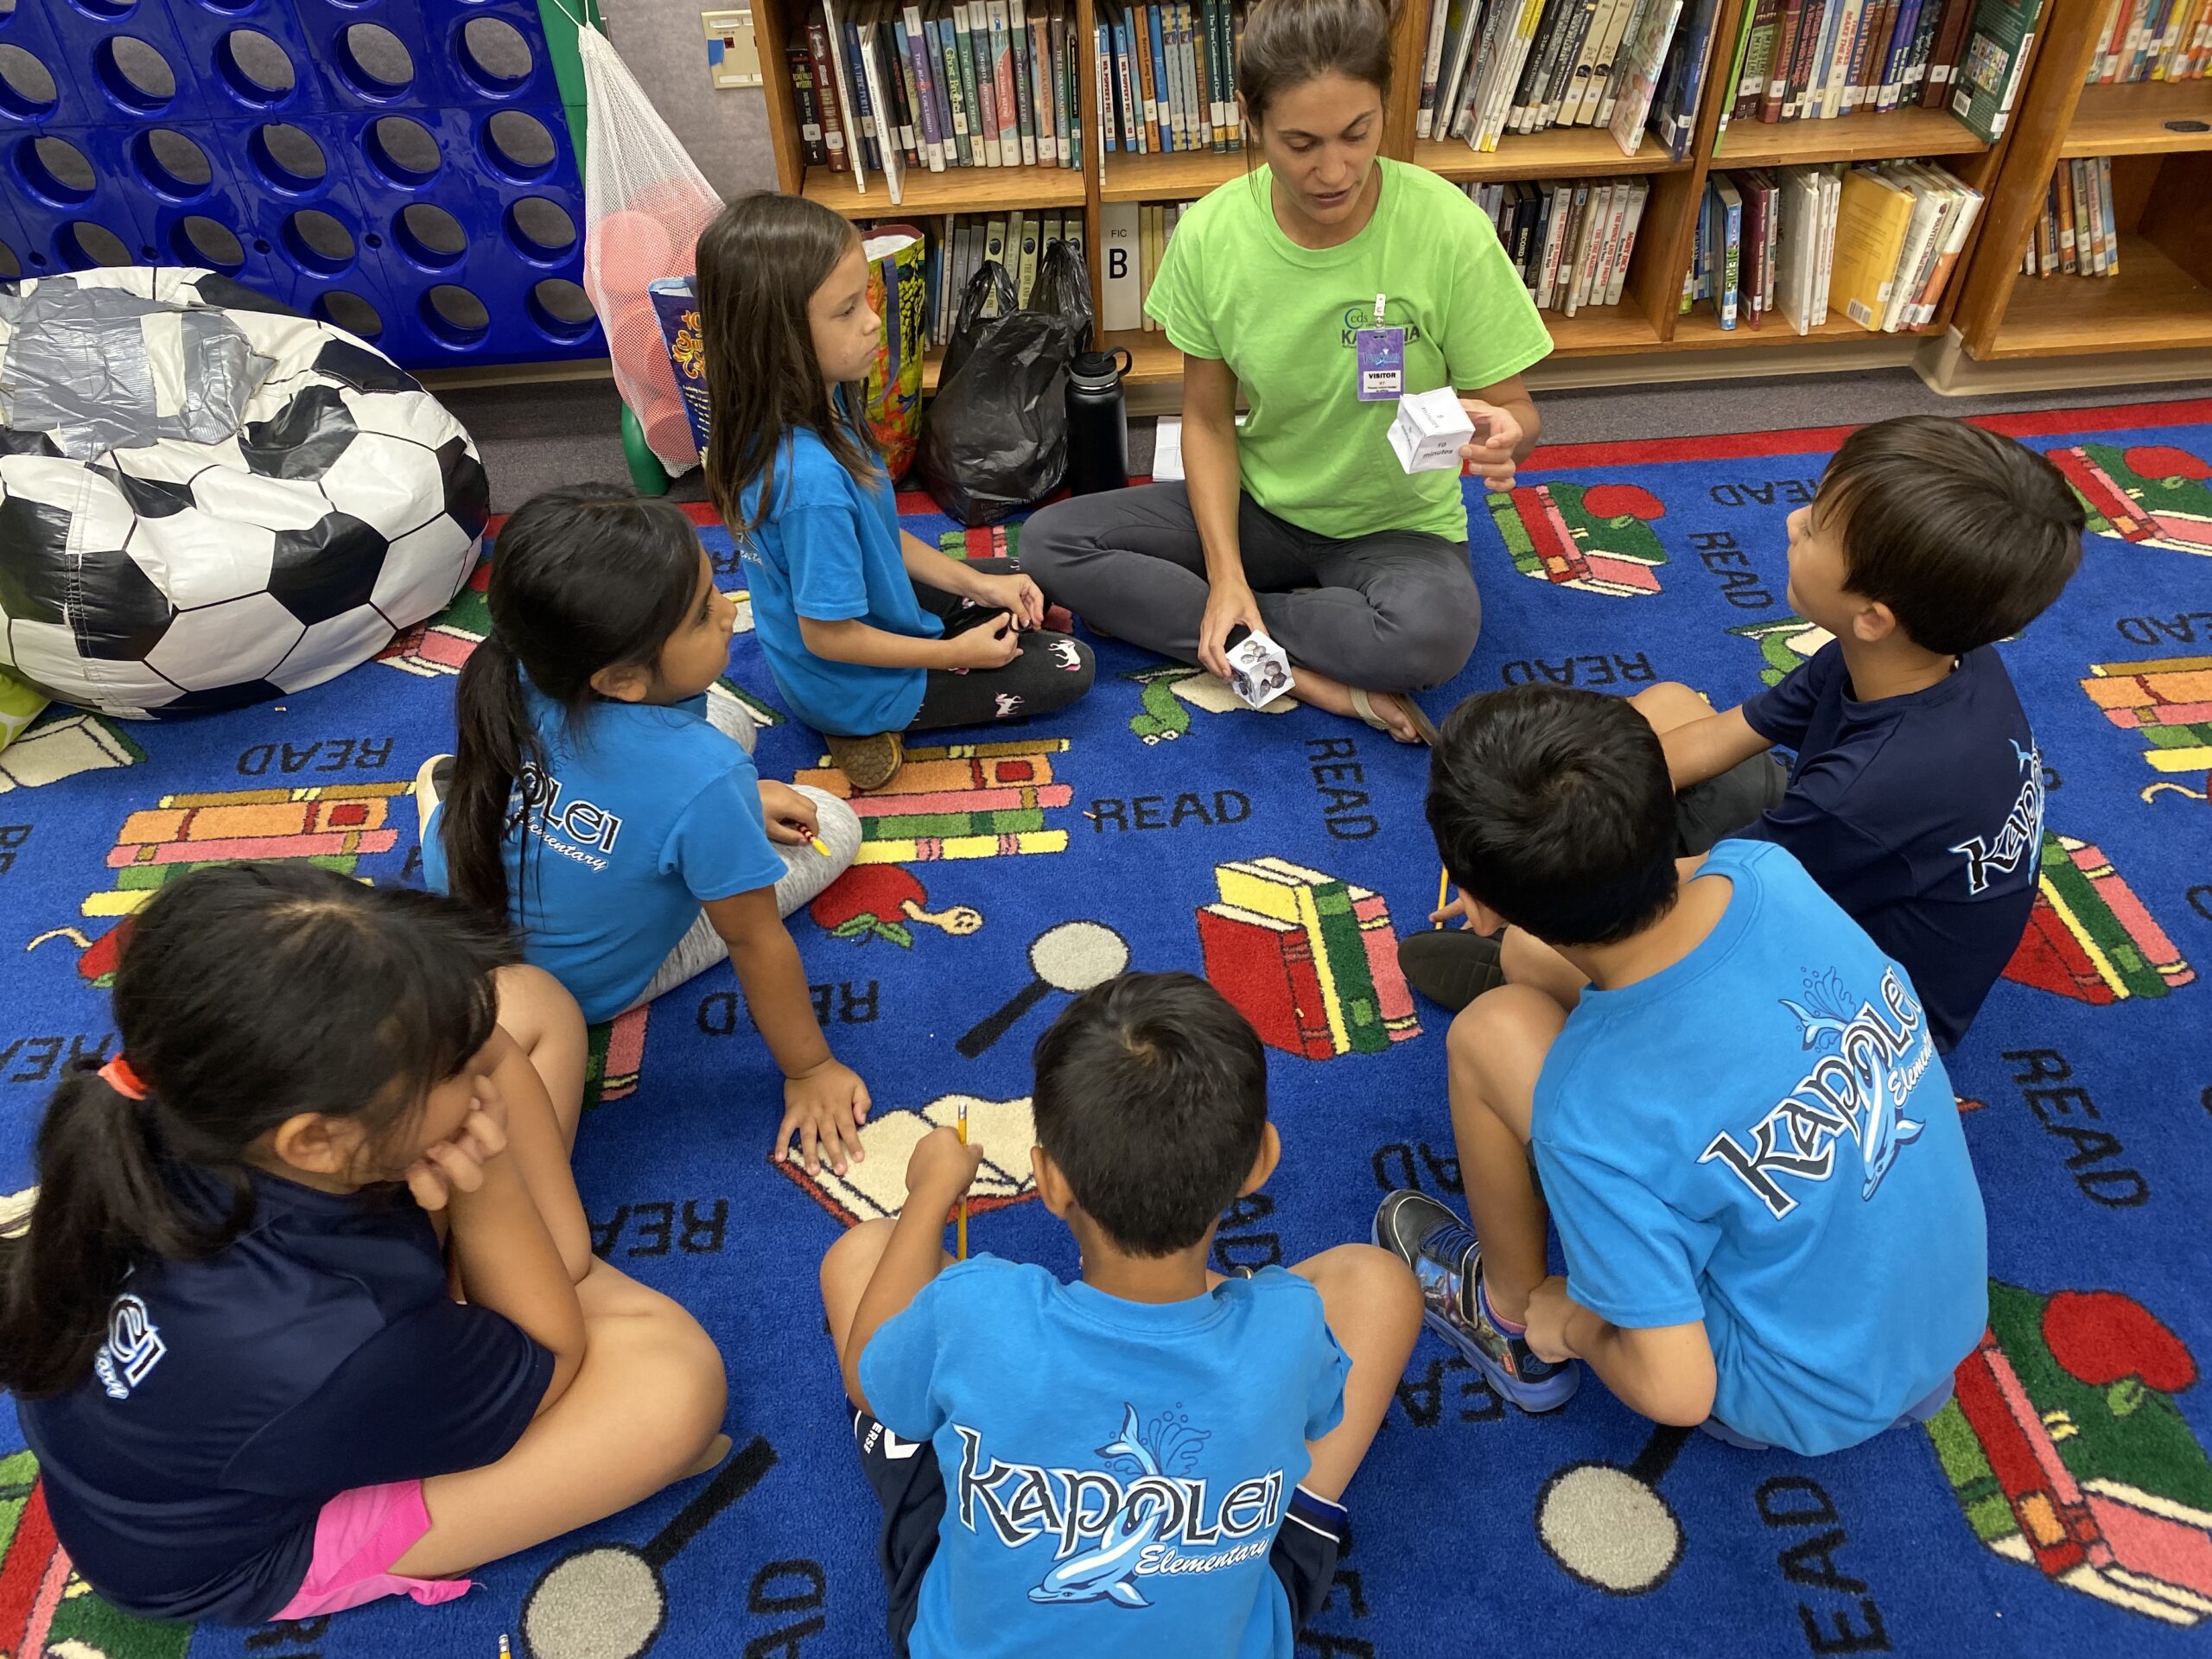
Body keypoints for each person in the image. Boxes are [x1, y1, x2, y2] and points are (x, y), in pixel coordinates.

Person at [1, 863, 728, 1624]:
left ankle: (478, 1291)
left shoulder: (194, 1103)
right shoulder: (337, 1338)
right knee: (674, 1391)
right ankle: (479, 1311)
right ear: (316, 1140)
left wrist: (470, 1096)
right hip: (251, 1544)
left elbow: (493, 1042)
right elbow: (555, 1358)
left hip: (267, 1392)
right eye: (450, 1070)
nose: (477, 1062)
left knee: (523, 1003)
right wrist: (486, 1178)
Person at [1376, 687, 1986, 1455]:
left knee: (1489, 1031)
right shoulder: (1767, 869)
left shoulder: (1585, 1118)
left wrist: (1576, 1325)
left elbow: (1679, 1391)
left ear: (1482, 898)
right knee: (1532, 966)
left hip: (1790, 1390)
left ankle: (1504, 1317)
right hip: (1942, 1325)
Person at [1400, 415, 2083, 1058]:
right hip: (1835, 862)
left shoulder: (1865, 791)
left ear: (1874, 615)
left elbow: (1712, 888)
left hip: (1857, 1007)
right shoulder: (1925, 654)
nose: (1791, 521)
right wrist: (1551, 822)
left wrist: (1530, 886)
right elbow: (1725, 735)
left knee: (1529, 952)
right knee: (1666, 709)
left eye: (1815, 528)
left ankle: (1559, 989)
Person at [820, 971, 1421, 1656]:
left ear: (1047, 1181)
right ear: (1261, 1163)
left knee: (863, 1253)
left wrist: (929, 1195)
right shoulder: (1289, 1325)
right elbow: (1319, 1412)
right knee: (1380, 1281)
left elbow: (868, 1380)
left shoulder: (977, 1307)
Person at [1018, 0, 1550, 745]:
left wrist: (1506, 436)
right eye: (1301, 143)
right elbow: (1205, 420)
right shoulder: (1213, 233)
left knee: (1432, 637)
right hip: (1260, 506)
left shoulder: (1446, 226)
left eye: (1358, 134)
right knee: (1047, 544)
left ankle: (1229, 627)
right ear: (1252, 120)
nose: (1334, 171)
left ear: (1383, 111)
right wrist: (1227, 570)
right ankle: (1303, 672)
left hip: (1399, 527)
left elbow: (1518, 412)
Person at [421, 484, 874, 1176]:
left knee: (727, 722)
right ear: (620, 679)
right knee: (833, 822)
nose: (729, 614)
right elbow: (753, 938)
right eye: (702, 612)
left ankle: (447, 794)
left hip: (465, 903)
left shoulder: (511, 665)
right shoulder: (703, 773)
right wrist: (810, 1069)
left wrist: (729, 798)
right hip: (586, 984)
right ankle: (698, 830)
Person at [696, 192, 1096, 791]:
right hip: (847, 678)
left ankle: (945, 635)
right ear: (779, 337)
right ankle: (858, 726)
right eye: (847, 309)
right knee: (1070, 666)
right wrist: (955, 654)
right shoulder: (810, 485)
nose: (873, 321)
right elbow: (828, 635)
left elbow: (877, 535)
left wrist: (982, 584)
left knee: (1035, 581)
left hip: (856, 612)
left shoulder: (820, 397)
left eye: (867, 299)